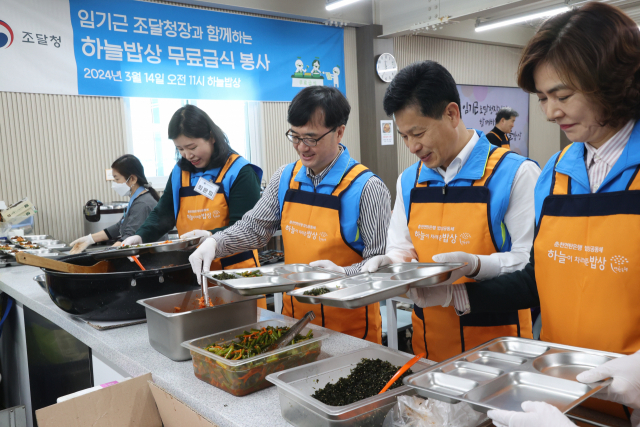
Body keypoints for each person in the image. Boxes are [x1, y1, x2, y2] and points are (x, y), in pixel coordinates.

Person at [410, 3, 640, 424]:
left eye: (563, 96)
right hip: (558, 396)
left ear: (614, 80)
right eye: (542, 98)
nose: (551, 112)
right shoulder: (555, 173)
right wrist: (456, 294)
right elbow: (541, 278)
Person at [362, 60, 541, 362]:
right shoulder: (410, 180)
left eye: (418, 133)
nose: (412, 147)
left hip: (499, 353)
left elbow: (530, 265)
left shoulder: (516, 174)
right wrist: (390, 261)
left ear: (452, 113)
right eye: (404, 136)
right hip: (428, 350)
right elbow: (402, 246)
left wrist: (476, 265)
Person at [188, 86, 391, 343]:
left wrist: (345, 274)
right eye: (295, 136)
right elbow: (255, 228)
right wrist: (216, 242)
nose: (301, 147)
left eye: (311, 138)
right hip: (294, 325)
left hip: (350, 330)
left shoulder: (366, 187)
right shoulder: (285, 177)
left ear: (339, 131)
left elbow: (381, 265)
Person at [121, 105, 265, 287]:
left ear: (211, 137)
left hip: (235, 274)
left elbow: (247, 229)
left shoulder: (239, 172)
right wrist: (140, 236)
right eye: (180, 149)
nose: (188, 155)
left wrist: (211, 237)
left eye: (192, 147)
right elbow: (163, 214)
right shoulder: (180, 173)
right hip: (192, 273)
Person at [69, 155, 161, 254]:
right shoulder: (137, 199)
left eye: (117, 179)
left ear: (132, 179)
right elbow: (120, 226)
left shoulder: (142, 204)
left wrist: (106, 253)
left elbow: (129, 236)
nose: (115, 183)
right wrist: (90, 239)